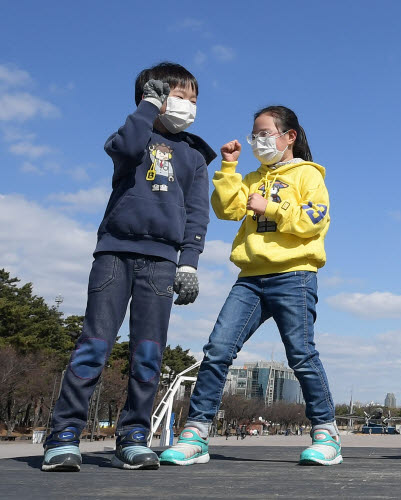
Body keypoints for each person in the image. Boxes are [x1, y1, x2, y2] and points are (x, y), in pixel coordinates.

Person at [41, 62, 212, 472]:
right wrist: (147, 108)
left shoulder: (194, 155)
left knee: (148, 353)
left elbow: (196, 214)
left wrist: (188, 264)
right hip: (115, 254)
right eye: (180, 96)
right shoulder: (134, 134)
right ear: (153, 95)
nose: (188, 105)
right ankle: (64, 434)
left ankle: (134, 435)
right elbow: (129, 148)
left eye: (194, 99)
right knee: (94, 345)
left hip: (161, 262)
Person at [159, 105, 341, 467]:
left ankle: (326, 433)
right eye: (254, 135)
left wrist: (270, 209)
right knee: (218, 350)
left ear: (289, 137)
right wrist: (228, 167)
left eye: (265, 133)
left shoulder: (308, 175)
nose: (258, 141)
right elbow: (227, 209)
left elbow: (316, 221)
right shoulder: (252, 177)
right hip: (250, 278)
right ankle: (196, 433)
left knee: (301, 355)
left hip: (295, 275)